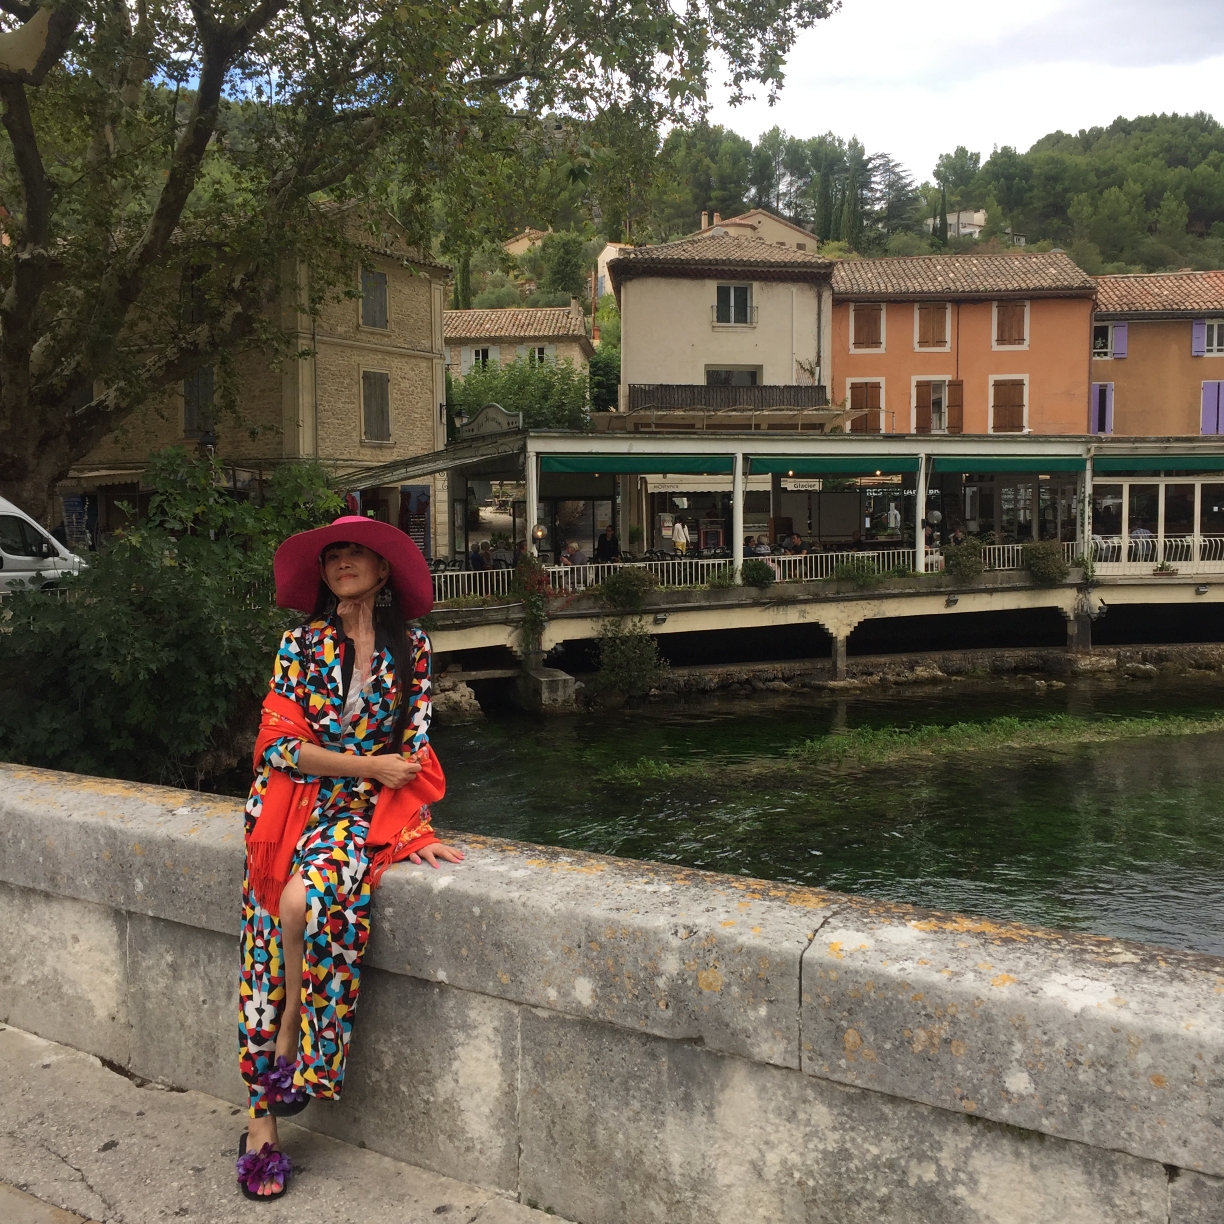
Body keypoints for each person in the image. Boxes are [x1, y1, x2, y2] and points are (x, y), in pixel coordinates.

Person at [235, 517, 464, 1200]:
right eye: (332, 555)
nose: (342, 563)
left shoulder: (412, 647)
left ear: (383, 569)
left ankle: (292, 1037)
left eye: (355, 553)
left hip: (358, 814)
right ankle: (260, 1125)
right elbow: (280, 747)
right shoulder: (299, 644)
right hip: (289, 809)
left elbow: (414, 745)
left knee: (303, 903)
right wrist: (370, 765)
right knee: (262, 951)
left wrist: (413, 827)